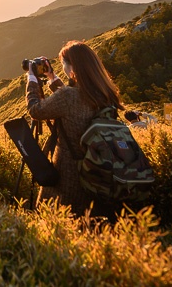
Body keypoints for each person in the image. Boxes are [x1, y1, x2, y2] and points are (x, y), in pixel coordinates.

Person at [26, 40, 123, 215]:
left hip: (67, 175)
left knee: (56, 222)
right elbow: (74, 102)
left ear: (73, 69)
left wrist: (32, 79)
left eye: (64, 64)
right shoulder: (105, 94)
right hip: (97, 172)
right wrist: (52, 78)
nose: (63, 67)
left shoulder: (69, 97)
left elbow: (35, 110)